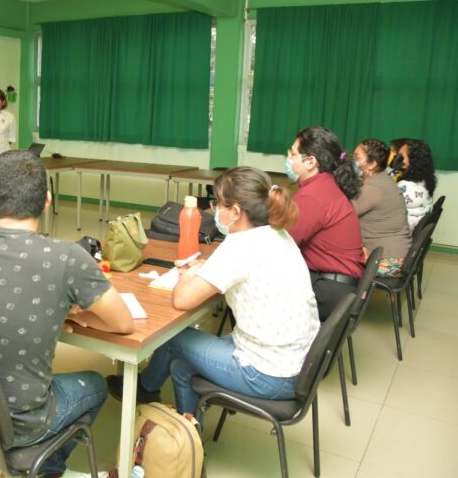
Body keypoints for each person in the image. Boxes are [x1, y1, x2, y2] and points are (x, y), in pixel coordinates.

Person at [0, 150, 133, 478]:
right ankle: (48, 468)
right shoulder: (68, 257)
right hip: (19, 424)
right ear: (47, 201)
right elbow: (124, 323)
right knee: (98, 385)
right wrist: (73, 312)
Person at [106, 167, 319, 426]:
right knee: (180, 369)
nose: (215, 211)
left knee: (172, 338)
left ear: (237, 211)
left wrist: (185, 273)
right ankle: (191, 436)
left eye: (219, 204)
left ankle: (145, 389)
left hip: (268, 374)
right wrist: (202, 270)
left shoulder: (240, 246)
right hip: (299, 365)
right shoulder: (277, 234)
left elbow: (182, 299)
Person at [285, 126, 365, 321]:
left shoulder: (314, 195)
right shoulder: (326, 185)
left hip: (328, 292)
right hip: (340, 288)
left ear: (311, 161)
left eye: (293, 153)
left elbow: (282, 243)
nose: (289, 158)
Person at [352, 139, 412, 277]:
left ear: (372, 164)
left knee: (328, 255)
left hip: (388, 260)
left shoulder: (374, 187)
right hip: (397, 251)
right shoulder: (381, 179)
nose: (352, 161)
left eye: (357, 157)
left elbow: (343, 212)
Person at [397, 140, 437, 232]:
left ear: (413, 160)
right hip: (414, 227)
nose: (399, 160)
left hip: (402, 232)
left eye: (402, 157)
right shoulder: (426, 181)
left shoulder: (405, 186)